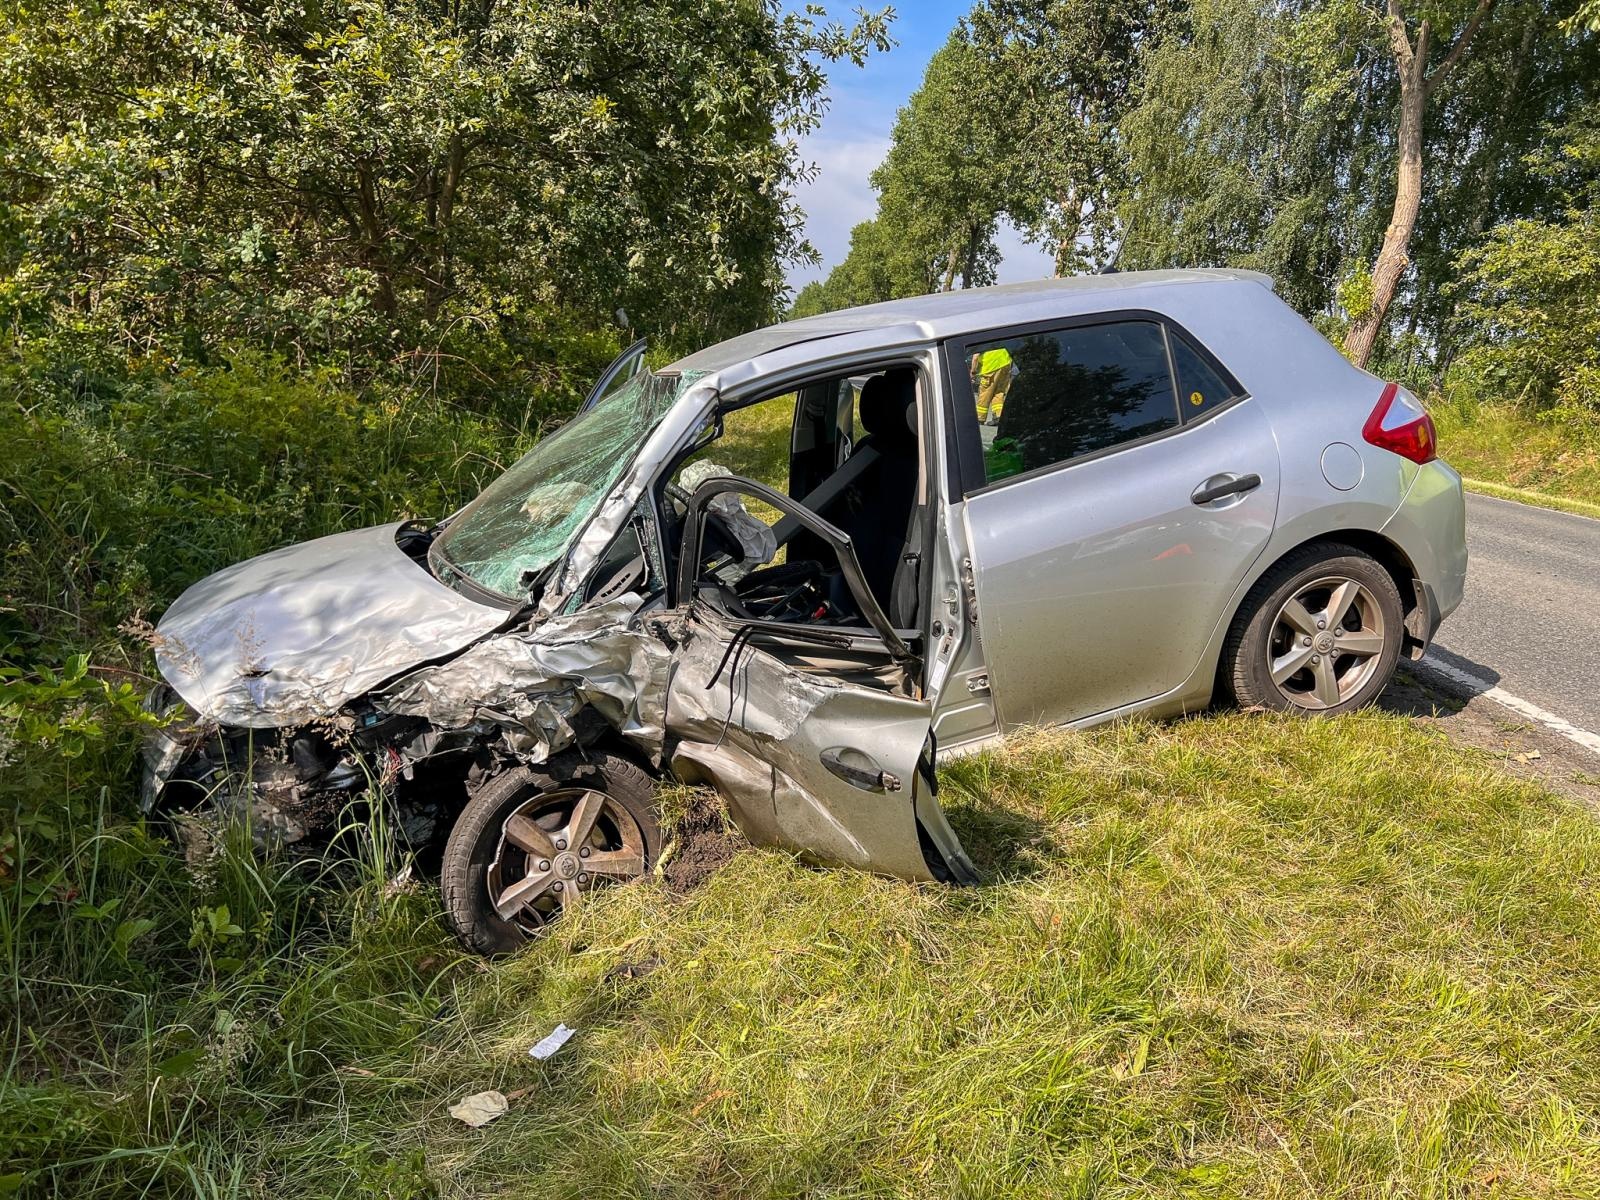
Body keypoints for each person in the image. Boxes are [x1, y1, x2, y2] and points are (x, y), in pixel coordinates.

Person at [970, 344, 1014, 425]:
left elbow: (975, 357)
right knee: (999, 392)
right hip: (1005, 363)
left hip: (991, 366)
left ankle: (980, 418)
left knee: (985, 393)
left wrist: (973, 372)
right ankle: (998, 416)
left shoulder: (979, 341)